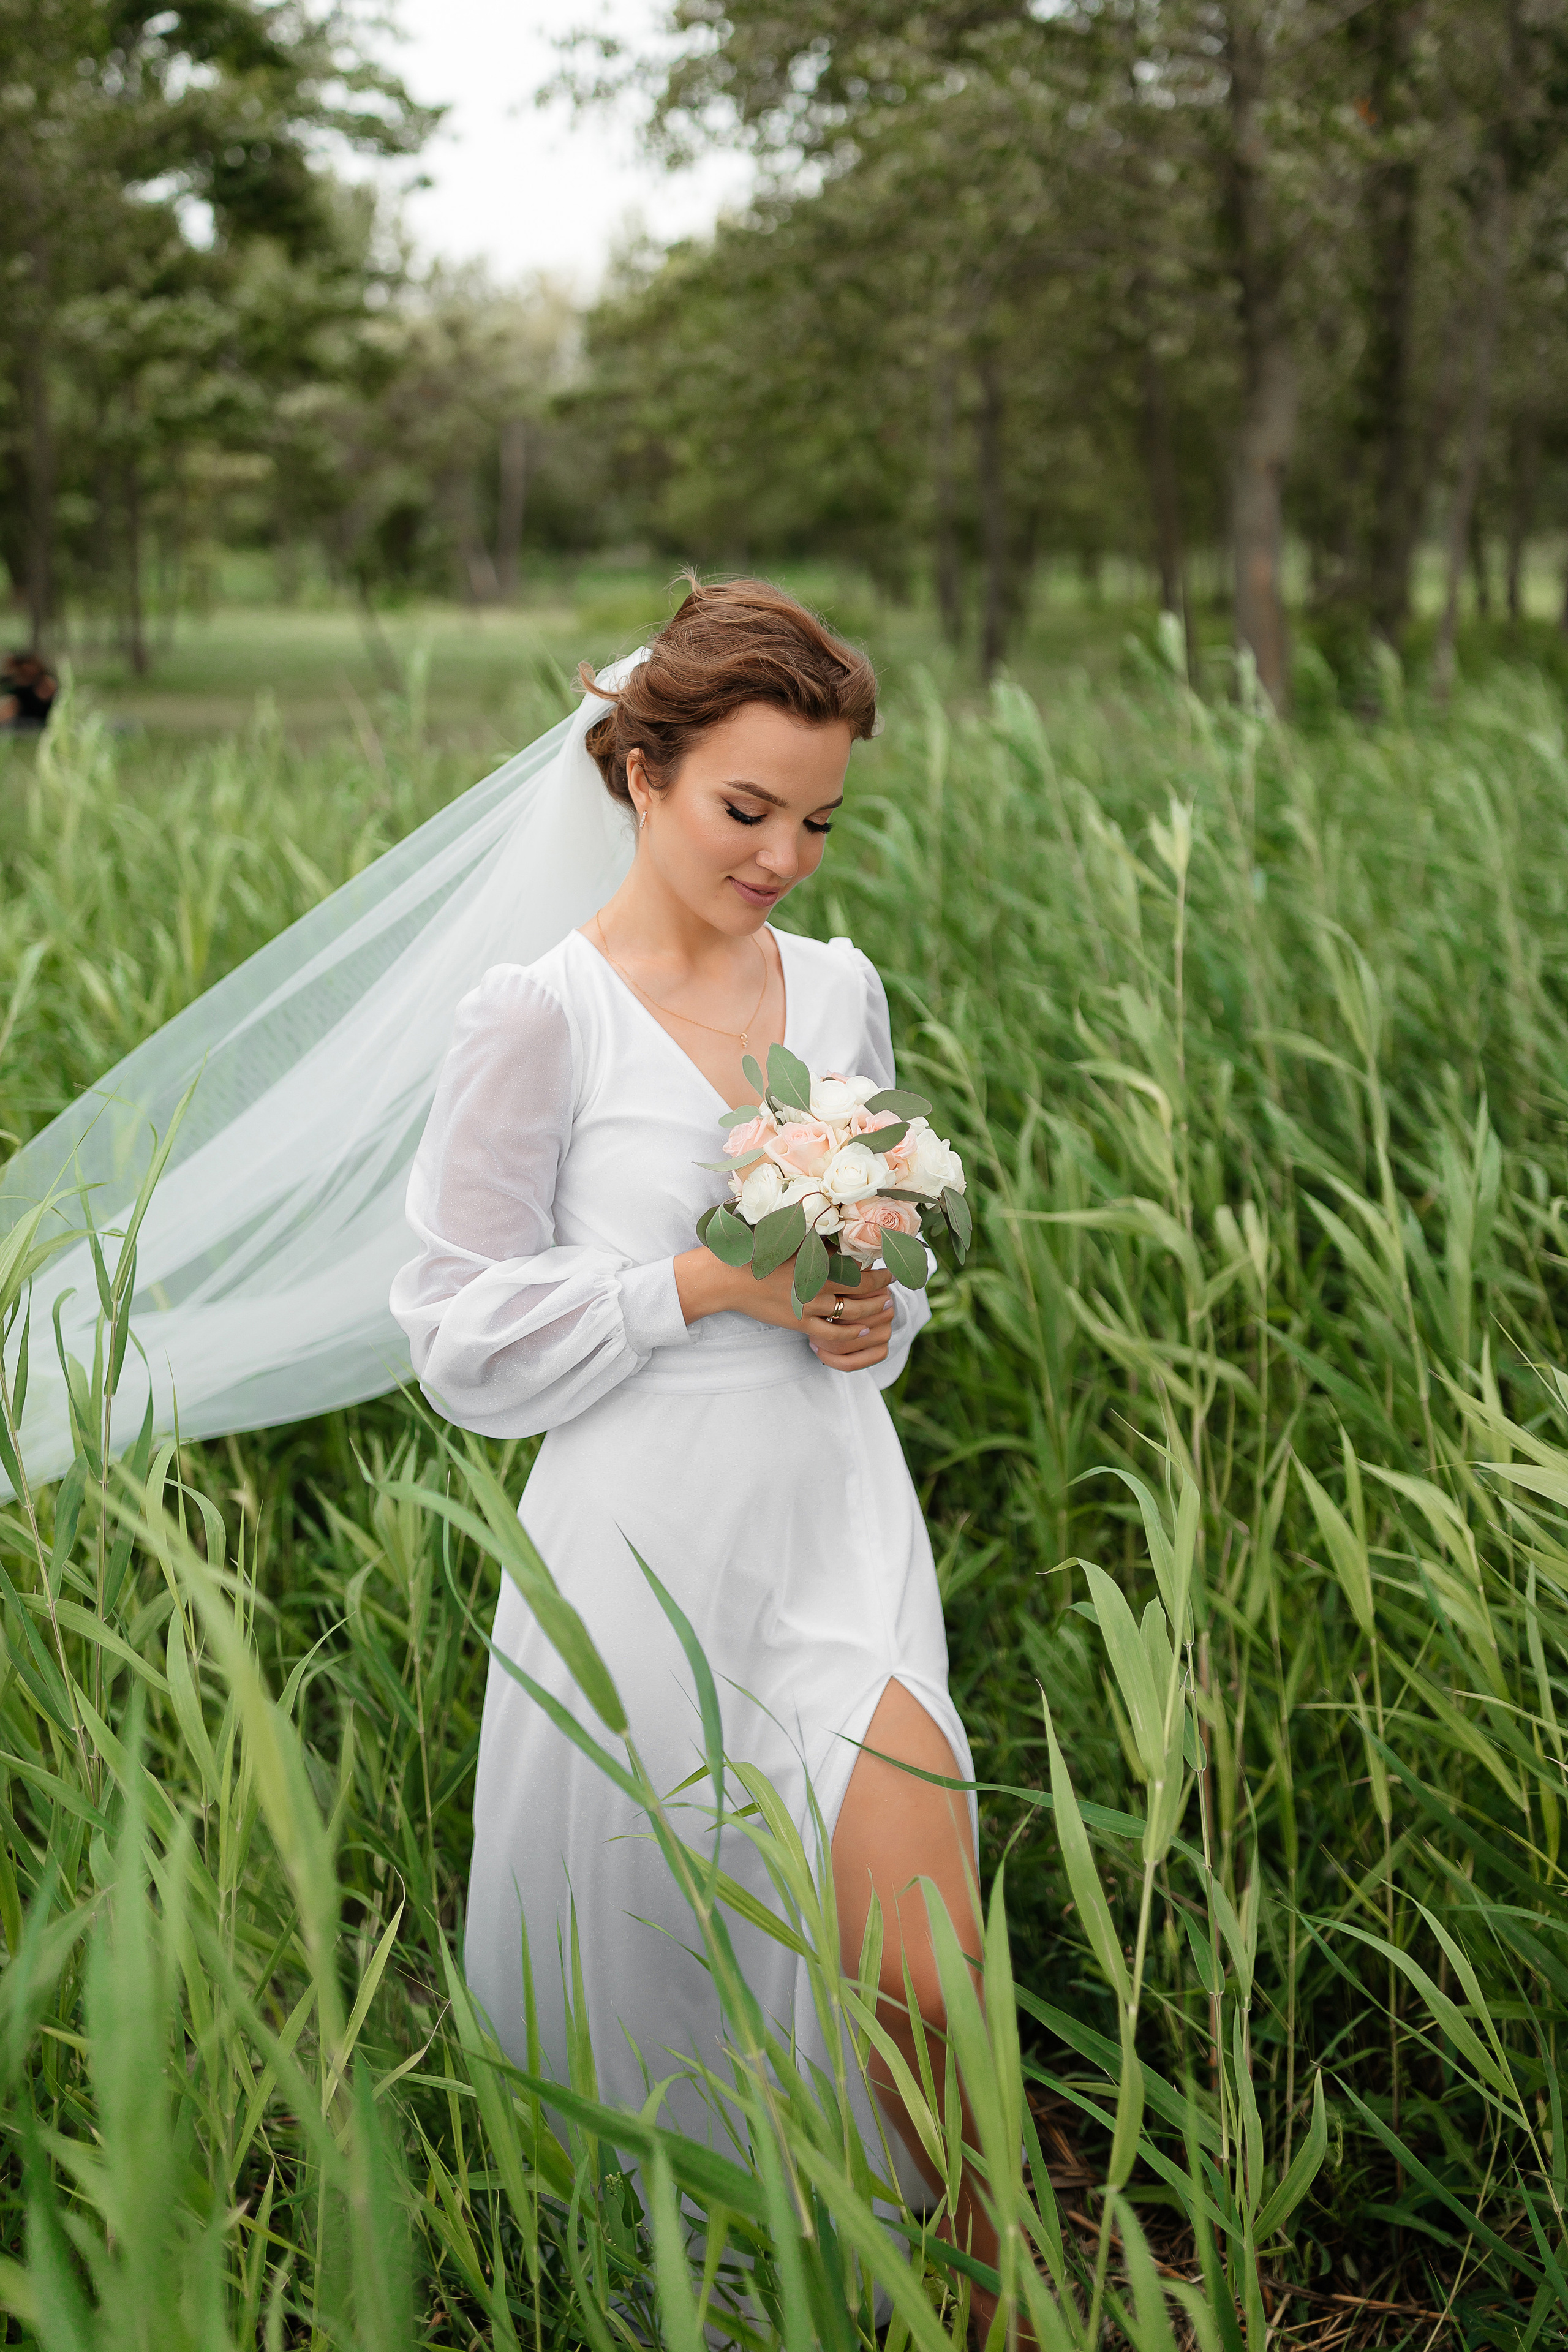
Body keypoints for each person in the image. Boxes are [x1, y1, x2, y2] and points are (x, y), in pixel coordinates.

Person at [390, 578, 1000, 2280]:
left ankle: (990, 2272)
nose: (786, 857)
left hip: (834, 1512)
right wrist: (702, 1287)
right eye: (750, 809)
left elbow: (872, 1265)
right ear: (641, 774)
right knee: (678, 1946)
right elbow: (454, 1332)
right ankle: (739, 2278)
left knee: (923, 1950)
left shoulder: (837, 985)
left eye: (818, 819)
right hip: (643, 1539)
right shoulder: (540, 1014)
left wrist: (873, 1311)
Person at [0, 649, 58, 731]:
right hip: (21, 719)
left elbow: (47, 699)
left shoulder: (43, 681)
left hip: (40, 718)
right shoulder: (14, 683)